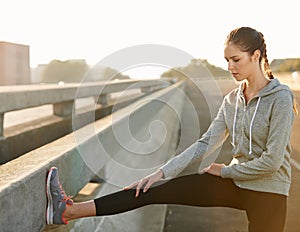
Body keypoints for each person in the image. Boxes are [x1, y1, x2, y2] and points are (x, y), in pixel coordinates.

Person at [46, 27, 297, 232]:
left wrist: (225, 171)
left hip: (269, 192)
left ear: (256, 56)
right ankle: (69, 211)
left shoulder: (280, 98)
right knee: (149, 189)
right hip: (235, 183)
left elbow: (272, 162)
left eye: (236, 60)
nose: (230, 67)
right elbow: (205, 142)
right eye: (227, 60)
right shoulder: (232, 99)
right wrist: (160, 173)